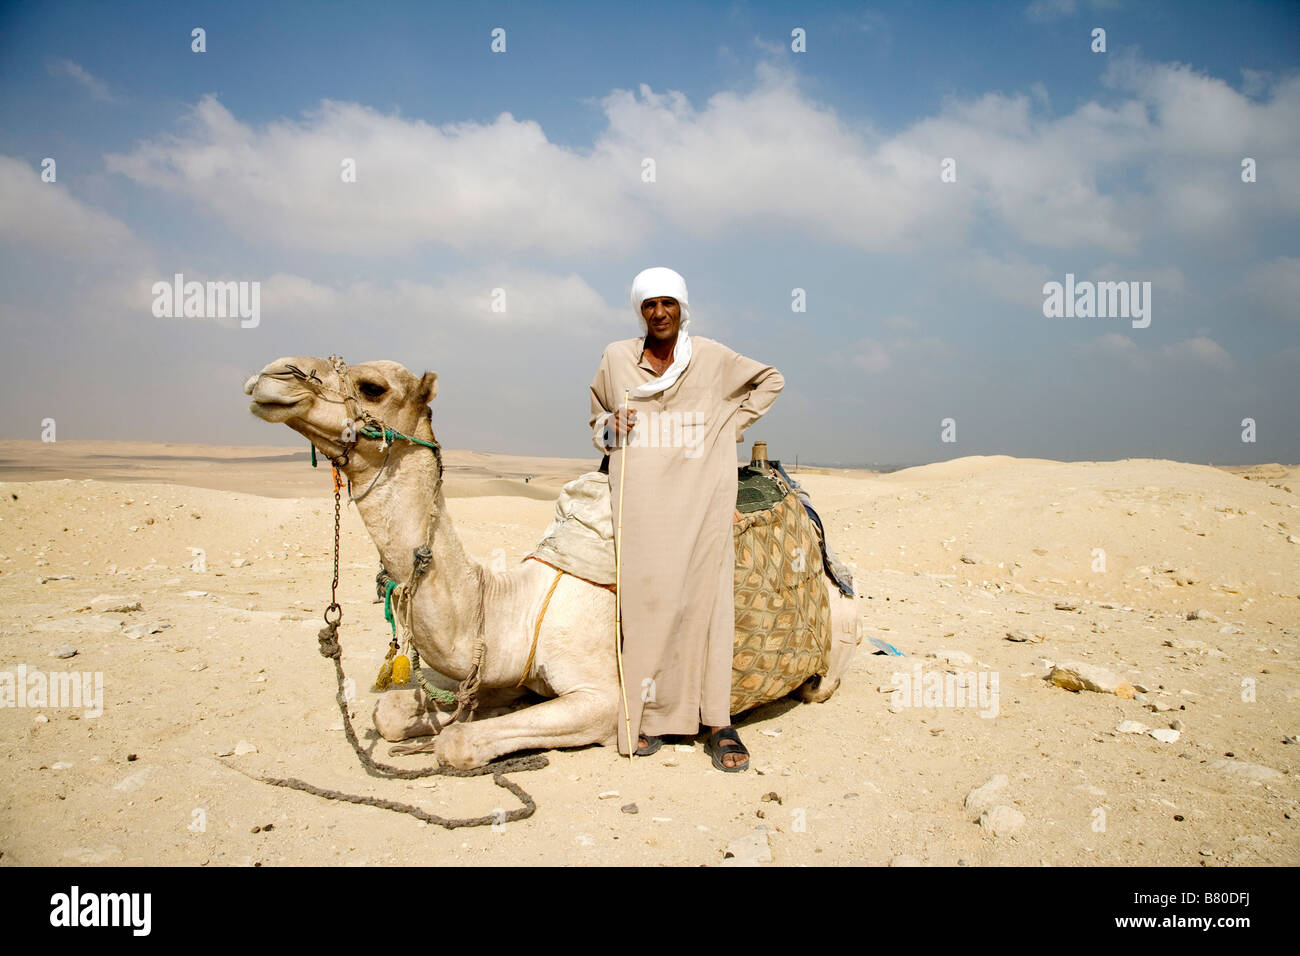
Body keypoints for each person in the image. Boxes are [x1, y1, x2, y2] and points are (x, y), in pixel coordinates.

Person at [587, 267, 783, 771]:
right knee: (649, 601)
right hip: (642, 502)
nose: (659, 312)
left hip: (702, 498)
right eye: (649, 304)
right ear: (640, 311)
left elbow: (771, 380)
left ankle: (717, 721)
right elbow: (598, 425)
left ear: (682, 307)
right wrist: (612, 423)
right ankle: (648, 717)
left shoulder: (713, 358)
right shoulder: (616, 359)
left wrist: (727, 427)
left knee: (705, 600)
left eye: (667, 303)